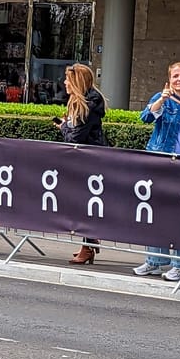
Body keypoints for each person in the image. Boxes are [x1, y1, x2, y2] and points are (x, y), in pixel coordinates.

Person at [133, 61, 180, 281]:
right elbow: (146, 117)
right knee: (157, 213)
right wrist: (162, 100)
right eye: (175, 76)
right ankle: (155, 260)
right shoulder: (161, 98)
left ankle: (179, 264)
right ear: (169, 79)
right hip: (163, 163)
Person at [55, 63, 107, 264]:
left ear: (77, 82)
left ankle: (89, 244)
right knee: (82, 203)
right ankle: (89, 244)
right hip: (84, 161)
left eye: (68, 79)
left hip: (90, 162)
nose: (65, 82)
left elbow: (75, 137)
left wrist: (64, 127)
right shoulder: (80, 102)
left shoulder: (89, 104)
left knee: (86, 204)